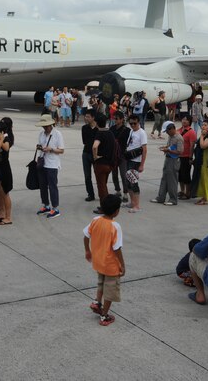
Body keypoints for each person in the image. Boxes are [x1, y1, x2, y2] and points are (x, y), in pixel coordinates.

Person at [84, 194, 125, 327]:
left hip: (98, 261)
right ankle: (104, 315)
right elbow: (117, 248)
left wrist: (88, 250)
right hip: (110, 265)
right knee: (110, 290)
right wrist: (122, 265)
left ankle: (97, 302)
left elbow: (86, 235)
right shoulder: (115, 226)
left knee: (101, 282)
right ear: (116, 211)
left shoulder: (95, 220)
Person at [35, 114, 65, 218]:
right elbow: (40, 146)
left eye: (46, 126)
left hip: (52, 164)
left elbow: (61, 150)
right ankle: (46, 205)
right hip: (42, 162)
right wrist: (40, 148)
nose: (45, 127)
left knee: (52, 186)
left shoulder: (57, 134)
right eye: (43, 126)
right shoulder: (41, 134)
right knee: (42, 185)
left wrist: (51, 149)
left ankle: (55, 208)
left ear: (51, 124)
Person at [91, 113, 119, 213]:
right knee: (104, 185)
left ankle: (105, 208)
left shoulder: (100, 133)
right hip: (109, 164)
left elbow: (95, 146)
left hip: (101, 164)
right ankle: (106, 206)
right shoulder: (110, 133)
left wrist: (95, 156)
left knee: (101, 187)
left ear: (96, 123)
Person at [121, 114, 148, 212]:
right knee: (128, 182)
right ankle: (132, 202)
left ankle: (137, 206)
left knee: (133, 183)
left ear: (138, 122)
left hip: (136, 161)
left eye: (134, 123)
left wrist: (142, 164)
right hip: (129, 159)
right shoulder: (131, 131)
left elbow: (144, 149)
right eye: (131, 123)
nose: (132, 125)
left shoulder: (142, 133)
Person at [152, 121, 182, 205]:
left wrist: (168, 150)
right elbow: (170, 146)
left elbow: (179, 151)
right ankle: (161, 197)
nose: (167, 133)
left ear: (172, 129)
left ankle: (173, 199)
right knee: (164, 178)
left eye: (167, 131)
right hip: (168, 159)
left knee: (172, 180)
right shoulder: (170, 136)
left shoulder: (179, 138)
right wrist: (165, 148)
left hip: (174, 160)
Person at [193, 120, 208, 205]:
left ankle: (205, 198)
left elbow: (203, 145)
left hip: (205, 161)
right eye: (202, 125)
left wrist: (202, 135)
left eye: (205, 125)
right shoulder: (206, 135)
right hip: (201, 160)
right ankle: (205, 195)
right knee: (202, 178)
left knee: (204, 179)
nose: (203, 126)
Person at [178, 116, 196, 199]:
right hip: (178, 156)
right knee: (180, 175)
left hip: (186, 156)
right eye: (183, 119)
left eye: (186, 120)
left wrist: (190, 157)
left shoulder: (191, 132)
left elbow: (192, 146)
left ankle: (187, 193)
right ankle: (182, 191)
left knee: (186, 175)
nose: (184, 121)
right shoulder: (179, 130)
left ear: (190, 122)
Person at [81, 112, 98, 202]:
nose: (86, 118)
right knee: (87, 176)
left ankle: (102, 193)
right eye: (85, 116)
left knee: (98, 175)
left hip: (96, 154)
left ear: (93, 117)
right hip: (86, 153)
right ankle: (90, 194)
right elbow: (84, 141)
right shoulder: (84, 128)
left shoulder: (98, 128)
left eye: (88, 117)